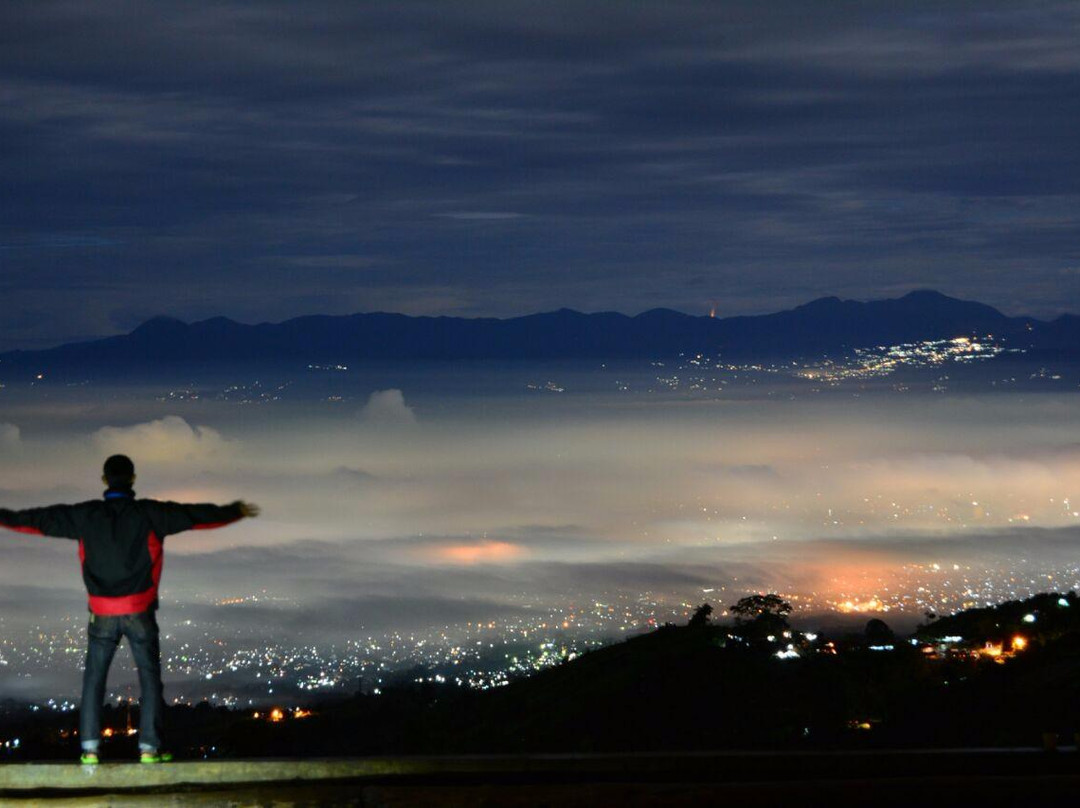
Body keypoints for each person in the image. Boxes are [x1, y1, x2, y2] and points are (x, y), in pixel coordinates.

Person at [0, 454, 259, 764]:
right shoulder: (150, 514)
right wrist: (235, 511)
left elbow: (39, 520)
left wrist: (2, 516)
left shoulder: (87, 515)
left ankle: (90, 748)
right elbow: (194, 515)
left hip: (102, 613)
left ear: (104, 480)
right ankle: (149, 748)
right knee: (150, 679)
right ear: (133, 479)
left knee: (94, 679)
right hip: (140, 611)